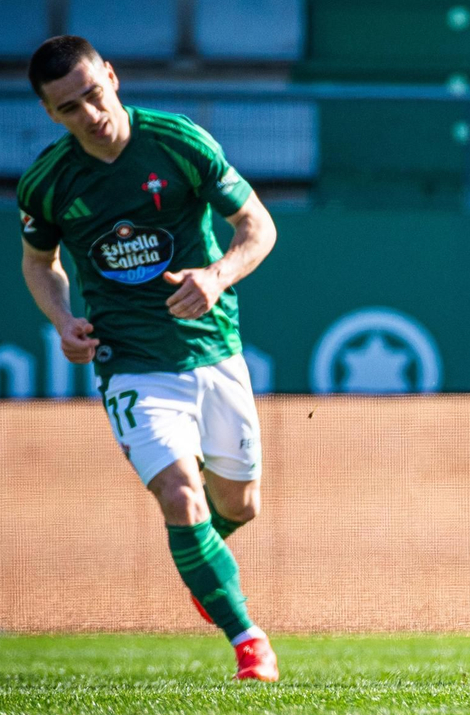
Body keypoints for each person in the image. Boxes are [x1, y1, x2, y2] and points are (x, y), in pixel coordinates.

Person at [17, 36, 281, 681]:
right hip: (130, 361)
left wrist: (216, 276)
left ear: (112, 74)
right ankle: (248, 640)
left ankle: (204, 571)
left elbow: (258, 227)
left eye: (94, 94)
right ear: (52, 115)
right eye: (70, 108)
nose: (91, 113)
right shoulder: (49, 183)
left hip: (213, 348)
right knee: (179, 495)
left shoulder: (178, 141)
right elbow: (39, 263)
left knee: (238, 506)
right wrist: (62, 321)